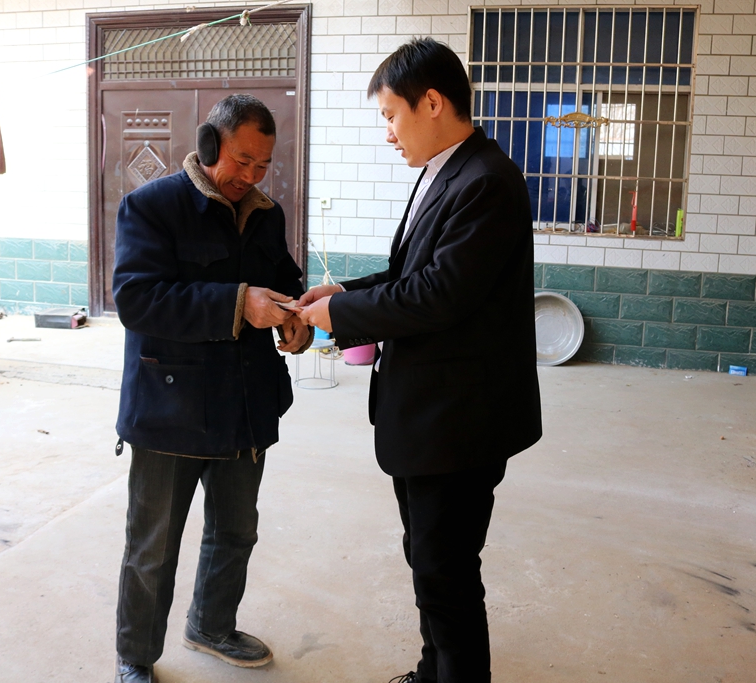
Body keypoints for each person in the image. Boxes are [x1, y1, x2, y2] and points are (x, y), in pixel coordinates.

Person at [298, 38, 543, 683]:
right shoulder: (447, 171)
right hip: (428, 416)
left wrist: (341, 316)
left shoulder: (487, 181)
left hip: (459, 421)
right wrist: (343, 293)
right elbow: (412, 273)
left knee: (446, 571)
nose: (388, 133)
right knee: (429, 560)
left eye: (390, 116)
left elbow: (437, 295)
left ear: (431, 102)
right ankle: (433, 669)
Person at [111, 94, 311, 683]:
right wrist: (237, 304)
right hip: (169, 410)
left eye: (262, 165)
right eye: (241, 161)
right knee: (152, 547)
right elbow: (136, 299)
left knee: (236, 531)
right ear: (208, 145)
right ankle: (135, 655)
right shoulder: (151, 206)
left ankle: (211, 625)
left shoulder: (267, 214)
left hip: (245, 405)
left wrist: (296, 322)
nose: (250, 176)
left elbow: (285, 282)